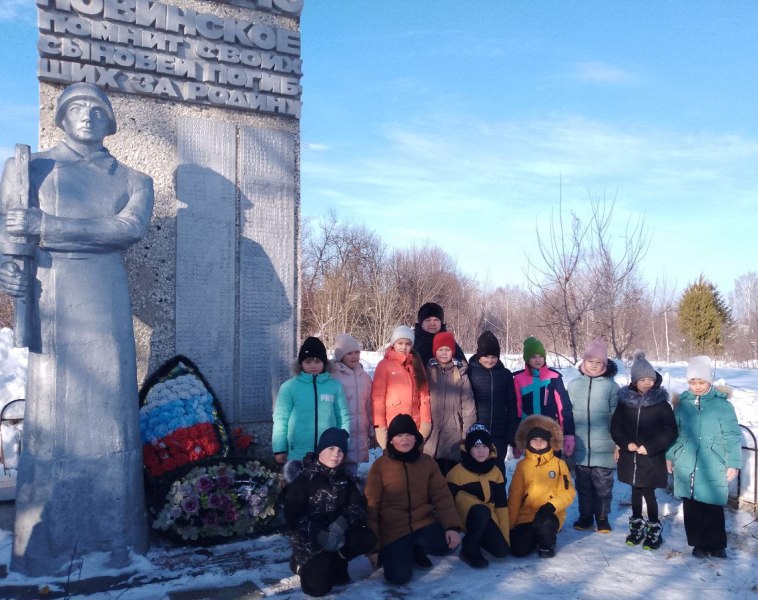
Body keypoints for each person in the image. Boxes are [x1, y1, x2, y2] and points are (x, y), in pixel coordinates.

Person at [0, 83, 153, 575]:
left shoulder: (134, 179)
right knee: (53, 419)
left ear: (110, 122)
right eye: (76, 108)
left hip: (104, 300)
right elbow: (9, 234)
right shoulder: (33, 169)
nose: (87, 117)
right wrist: (9, 263)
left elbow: (125, 229)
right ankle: (47, 542)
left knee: (109, 413)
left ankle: (115, 537)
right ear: (61, 117)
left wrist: (45, 225)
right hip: (51, 298)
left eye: (97, 110)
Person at [364, 414, 461, 584]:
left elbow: (442, 496)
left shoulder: (427, 463)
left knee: (448, 544)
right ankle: (400, 551)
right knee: (398, 578)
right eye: (399, 435)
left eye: (409, 435)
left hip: (422, 524)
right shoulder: (380, 467)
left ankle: (413, 548)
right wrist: (374, 547)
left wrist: (452, 527)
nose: (405, 440)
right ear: (391, 440)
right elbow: (371, 509)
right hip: (394, 530)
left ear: (416, 439)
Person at [283, 428, 377, 597]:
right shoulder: (304, 479)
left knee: (366, 537)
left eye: (340, 450)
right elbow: (293, 517)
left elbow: (358, 506)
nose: (336, 454)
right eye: (331, 449)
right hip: (310, 542)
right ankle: (298, 563)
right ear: (321, 451)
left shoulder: (345, 478)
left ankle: (338, 559)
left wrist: (341, 524)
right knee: (317, 588)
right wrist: (320, 535)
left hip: (337, 538)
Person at [666, 355, 741, 559]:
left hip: (713, 462)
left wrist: (733, 463)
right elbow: (674, 433)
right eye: (692, 382)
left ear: (709, 381)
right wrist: (670, 456)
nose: (697, 386)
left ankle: (717, 545)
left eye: (701, 382)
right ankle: (698, 544)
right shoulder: (682, 404)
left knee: (712, 505)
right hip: (686, 461)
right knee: (692, 505)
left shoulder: (722, 406)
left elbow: (732, 435)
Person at [610, 351, 677, 550]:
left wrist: (651, 447)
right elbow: (616, 427)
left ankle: (654, 529)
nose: (647, 383)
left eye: (650, 379)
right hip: (630, 458)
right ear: (634, 381)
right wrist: (624, 443)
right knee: (634, 491)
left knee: (648, 493)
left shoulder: (661, 404)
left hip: (650, 458)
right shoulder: (625, 403)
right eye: (643, 379)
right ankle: (636, 526)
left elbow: (670, 430)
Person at [567, 337, 620, 533]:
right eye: (591, 361)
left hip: (604, 447)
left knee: (603, 487)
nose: (594, 366)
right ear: (584, 362)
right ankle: (586, 516)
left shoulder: (611, 387)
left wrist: (618, 444)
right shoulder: (573, 386)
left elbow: (618, 417)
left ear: (605, 364)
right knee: (583, 486)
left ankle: (602, 516)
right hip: (581, 447)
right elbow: (567, 415)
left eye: (599, 362)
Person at [272, 336, 350, 463]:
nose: (313, 366)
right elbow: (281, 419)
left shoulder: (335, 386)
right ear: (301, 363)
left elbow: (343, 417)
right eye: (308, 362)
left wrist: (342, 446)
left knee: (324, 483)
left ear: (324, 363)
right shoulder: (289, 387)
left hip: (328, 452)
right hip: (298, 451)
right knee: (300, 483)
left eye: (317, 361)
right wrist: (280, 449)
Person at [508, 415, 576, 558]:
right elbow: (515, 495)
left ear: (549, 442)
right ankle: (533, 538)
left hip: (550, 514)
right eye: (534, 440)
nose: (538, 443)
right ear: (528, 442)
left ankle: (547, 544)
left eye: (542, 440)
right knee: (517, 550)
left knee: (546, 524)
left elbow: (568, 492)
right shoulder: (522, 466)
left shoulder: (559, 464)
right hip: (526, 516)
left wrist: (550, 506)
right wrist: (511, 525)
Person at [446, 423, 510, 568]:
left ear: (490, 448)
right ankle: (469, 549)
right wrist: (452, 530)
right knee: (480, 510)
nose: (481, 451)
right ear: (468, 449)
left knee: (502, 551)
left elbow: (501, 506)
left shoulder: (496, 472)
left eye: (484, 447)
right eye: (476, 447)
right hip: (466, 518)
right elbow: (447, 506)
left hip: (488, 518)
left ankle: (481, 535)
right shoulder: (456, 473)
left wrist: (505, 537)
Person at [423, 331, 477, 475]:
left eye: (447, 350)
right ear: (435, 352)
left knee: (452, 479)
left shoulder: (461, 375)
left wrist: (467, 436)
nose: (444, 353)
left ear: (452, 352)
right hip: (431, 435)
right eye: (441, 349)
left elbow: (468, 408)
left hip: (454, 435)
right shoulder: (427, 373)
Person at [513, 336, 575, 457]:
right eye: (533, 356)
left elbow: (564, 409)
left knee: (552, 470)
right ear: (526, 359)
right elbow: (517, 410)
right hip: (529, 434)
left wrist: (568, 435)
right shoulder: (519, 379)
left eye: (541, 356)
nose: (537, 360)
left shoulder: (554, 377)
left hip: (552, 433)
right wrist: (517, 440)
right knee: (532, 471)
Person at [467, 331, 518, 477]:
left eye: (494, 357)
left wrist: (511, 431)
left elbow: (512, 404)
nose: (490, 360)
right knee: (475, 470)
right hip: (476, 432)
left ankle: (499, 499)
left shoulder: (505, 375)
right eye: (486, 356)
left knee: (497, 470)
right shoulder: (470, 373)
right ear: (478, 355)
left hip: (499, 433)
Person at [371, 325, 431, 450]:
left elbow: (424, 396)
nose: (404, 347)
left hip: (415, 426)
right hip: (392, 426)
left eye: (408, 344)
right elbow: (378, 398)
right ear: (394, 344)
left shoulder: (417, 365)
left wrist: (425, 422)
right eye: (400, 343)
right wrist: (380, 427)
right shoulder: (384, 365)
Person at [330, 333, 373, 476]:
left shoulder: (365, 377)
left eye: (357, 352)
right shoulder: (333, 376)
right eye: (349, 353)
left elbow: (369, 406)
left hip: (359, 434)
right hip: (340, 433)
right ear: (340, 356)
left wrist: (372, 431)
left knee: (351, 474)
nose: (354, 356)